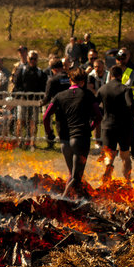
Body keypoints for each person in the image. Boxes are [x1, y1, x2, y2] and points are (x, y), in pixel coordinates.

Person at [44, 68, 102, 198]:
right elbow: (98, 115)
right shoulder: (87, 94)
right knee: (76, 177)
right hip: (80, 139)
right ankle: (62, 201)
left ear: (70, 80)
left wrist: (49, 133)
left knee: (72, 174)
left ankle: (78, 201)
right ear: (83, 81)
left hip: (65, 141)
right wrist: (90, 128)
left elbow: (46, 116)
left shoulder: (60, 96)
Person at [96, 65, 134, 184]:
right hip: (124, 126)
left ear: (110, 75)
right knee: (125, 155)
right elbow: (131, 105)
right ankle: (127, 182)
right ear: (121, 76)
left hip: (107, 126)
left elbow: (94, 106)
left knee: (109, 155)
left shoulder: (102, 89)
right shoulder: (125, 89)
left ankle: (107, 177)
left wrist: (94, 119)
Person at [13, 50, 47, 150]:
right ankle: (19, 142)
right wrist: (21, 95)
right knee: (20, 121)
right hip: (23, 100)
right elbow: (16, 84)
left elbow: (43, 87)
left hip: (34, 101)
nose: (33, 60)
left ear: (37, 60)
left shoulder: (40, 72)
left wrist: (40, 98)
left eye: (35, 58)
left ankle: (32, 143)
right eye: (31, 58)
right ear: (27, 59)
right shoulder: (21, 70)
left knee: (34, 122)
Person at [41, 59, 70, 149]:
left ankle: (50, 135)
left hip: (59, 108)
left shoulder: (52, 80)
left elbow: (47, 97)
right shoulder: (70, 78)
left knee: (46, 118)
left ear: (54, 69)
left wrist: (41, 103)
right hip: (72, 107)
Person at [87, 58, 110, 152]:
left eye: (98, 66)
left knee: (107, 121)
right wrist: (98, 94)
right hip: (95, 100)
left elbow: (108, 85)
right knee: (96, 121)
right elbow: (89, 87)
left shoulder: (108, 74)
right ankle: (97, 142)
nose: (96, 68)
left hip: (106, 100)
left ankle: (106, 142)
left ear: (103, 66)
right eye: (95, 66)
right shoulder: (91, 75)